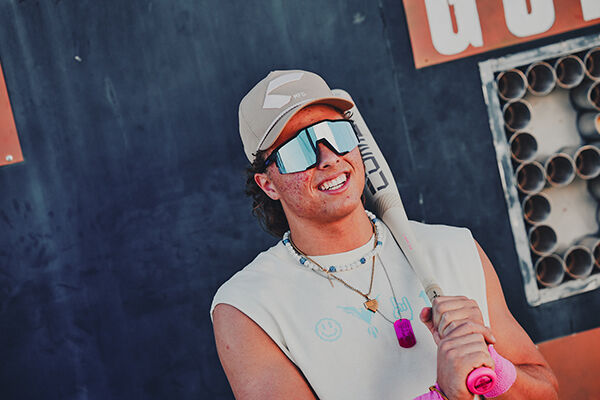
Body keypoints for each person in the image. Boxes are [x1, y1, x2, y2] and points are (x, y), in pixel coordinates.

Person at [211, 70, 558, 399]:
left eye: (336, 134)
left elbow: (547, 392)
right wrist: (442, 394)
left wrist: (492, 368)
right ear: (268, 184)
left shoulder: (453, 248)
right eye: (297, 149)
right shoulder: (247, 306)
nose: (328, 158)